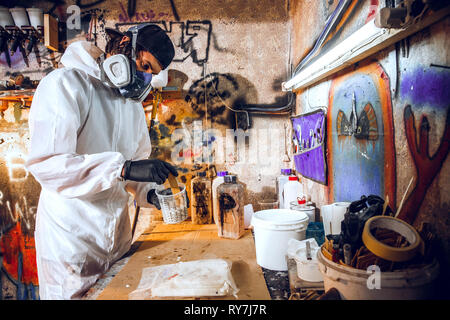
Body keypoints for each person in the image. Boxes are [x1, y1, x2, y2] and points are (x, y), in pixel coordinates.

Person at [25, 24, 178, 300]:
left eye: (151, 73)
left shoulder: (130, 106)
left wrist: (151, 193)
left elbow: (132, 169)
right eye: (143, 65)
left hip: (116, 243)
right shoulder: (66, 85)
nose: (144, 77)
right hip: (71, 245)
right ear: (123, 45)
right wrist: (122, 167)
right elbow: (48, 164)